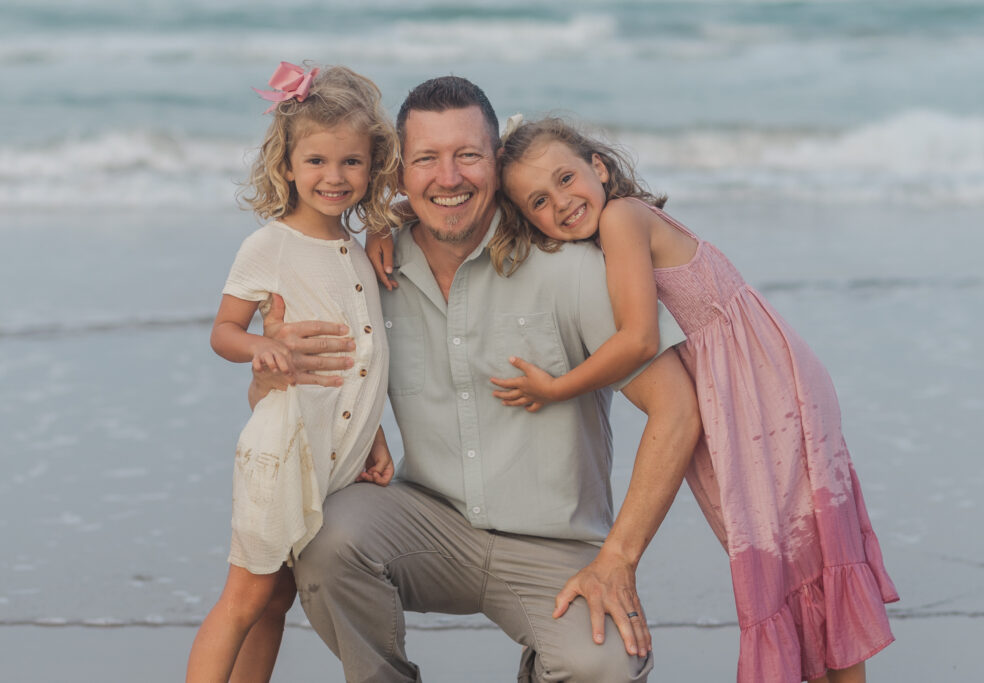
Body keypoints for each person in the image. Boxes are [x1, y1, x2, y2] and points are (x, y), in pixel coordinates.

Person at [254, 76, 702, 682]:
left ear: (496, 161)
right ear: (399, 173)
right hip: (426, 524)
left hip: (556, 547)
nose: (449, 177)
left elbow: (676, 408)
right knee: (325, 537)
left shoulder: (569, 270)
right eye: (427, 160)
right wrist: (272, 366)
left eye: (467, 155)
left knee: (607, 668)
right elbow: (274, 400)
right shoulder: (363, 274)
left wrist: (619, 558)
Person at [486, 116, 900, 683]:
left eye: (565, 178)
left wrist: (557, 387)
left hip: (764, 396)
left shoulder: (621, 218)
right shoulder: (613, 227)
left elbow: (639, 338)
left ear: (599, 167)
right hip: (742, 393)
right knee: (796, 560)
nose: (560, 202)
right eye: (538, 199)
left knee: (798, 558)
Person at [185, 62, 400, 683]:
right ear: (286, 165)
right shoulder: (270, 245)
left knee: (277, 599)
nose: (334, 177)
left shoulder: (356, 247)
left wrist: (374, 430)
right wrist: (261, 350)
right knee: (245, 599)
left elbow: (361, 356)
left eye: (351, 163)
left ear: (372, 165)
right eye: (316, 162)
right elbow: (223, 331)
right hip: (283, 449)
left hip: (331, 451)